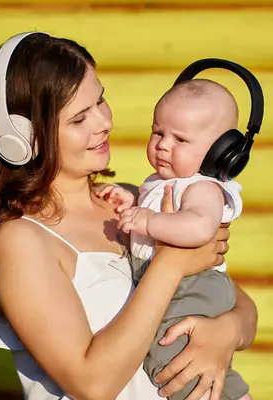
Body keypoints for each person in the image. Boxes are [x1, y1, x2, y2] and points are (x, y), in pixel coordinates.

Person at [0, 31, 258, 400]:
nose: (103, 122)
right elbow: (93, 384)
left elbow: (241, 305)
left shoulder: (137, 201)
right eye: (79, 119)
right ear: (23, 137)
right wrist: (170, 264)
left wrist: (226, 334)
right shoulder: (18, 241)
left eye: (101, 100)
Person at [96, 79, 251, 400]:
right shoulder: (159, 182)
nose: (164, 145)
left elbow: (198, 228)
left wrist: (150, 220)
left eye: (180, 138)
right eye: (158, 133)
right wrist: (130, 204)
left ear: (221, 153)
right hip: (175, 282)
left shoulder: (202, 188)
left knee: (173, 354)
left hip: (193, 286)